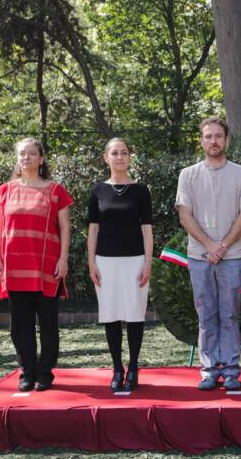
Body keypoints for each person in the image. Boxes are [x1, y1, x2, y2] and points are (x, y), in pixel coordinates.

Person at [175, 116, 241, 391]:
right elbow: (185, 216)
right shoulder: (188, 175)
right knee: (206, 315)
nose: (214, 141)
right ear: (201, 140)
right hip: (200, 258)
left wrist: (222, 246)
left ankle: (232, 371)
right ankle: (210, 371)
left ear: (227, 140)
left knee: (230, 314)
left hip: (233, 257)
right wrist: (210, 245)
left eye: (218, 136)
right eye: (208, 136)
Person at [0, 138, 74, 392]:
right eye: (22, 154)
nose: (26, 158)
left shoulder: (56, 190)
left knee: (48, 323)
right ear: (17, 158)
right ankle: (26, 372)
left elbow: (65, 227)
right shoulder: (4, 191)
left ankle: (45, 373)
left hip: (47, 268)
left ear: (41, 158)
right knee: (20, 325)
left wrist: (63, 259)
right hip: (14, 268)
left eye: (32, 153)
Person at [87, 138, 153, 392]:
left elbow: (147, 230)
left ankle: (133, 367)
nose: (120, 157)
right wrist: (91, 261)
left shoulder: (141, 191)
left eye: (124, 152)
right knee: (111, 315)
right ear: (106, 158)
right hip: (105, 262)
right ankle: (117, 368)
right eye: (114, 153)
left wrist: (148, 263)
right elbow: (93, 230)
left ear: (129, 157)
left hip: (135, 261)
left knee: (135, 315)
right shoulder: (97, 191)